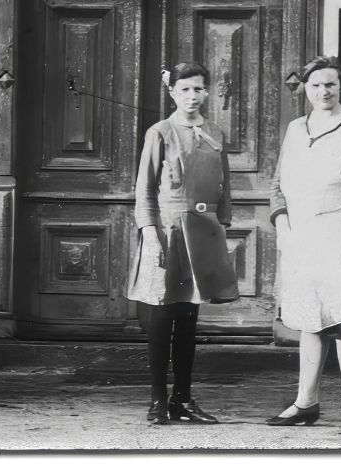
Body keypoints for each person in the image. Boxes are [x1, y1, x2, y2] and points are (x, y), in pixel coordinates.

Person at [266, 57, 341, 434]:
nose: (324, 91)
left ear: (340, 87)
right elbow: (277, 185)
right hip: (304, 235)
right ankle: (306, 403)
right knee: (310, 321)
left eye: (331, 84)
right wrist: (283, 226)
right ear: (305, 88)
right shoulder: (295, 129)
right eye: (316, 85)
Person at [129, 61, 232, 424]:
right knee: (162, 315)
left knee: (189, 317)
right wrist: (149, 232)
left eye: (198, 89)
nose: (192, 96)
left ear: (206, 92)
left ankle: (183, 400)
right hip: (167, 231)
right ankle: (158, 401)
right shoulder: (159, 132)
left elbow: (224, 186)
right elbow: (145, 188)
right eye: (184, 89)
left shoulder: (215, 132)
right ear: (172, 92)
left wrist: (222, 227)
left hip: (202, 231)